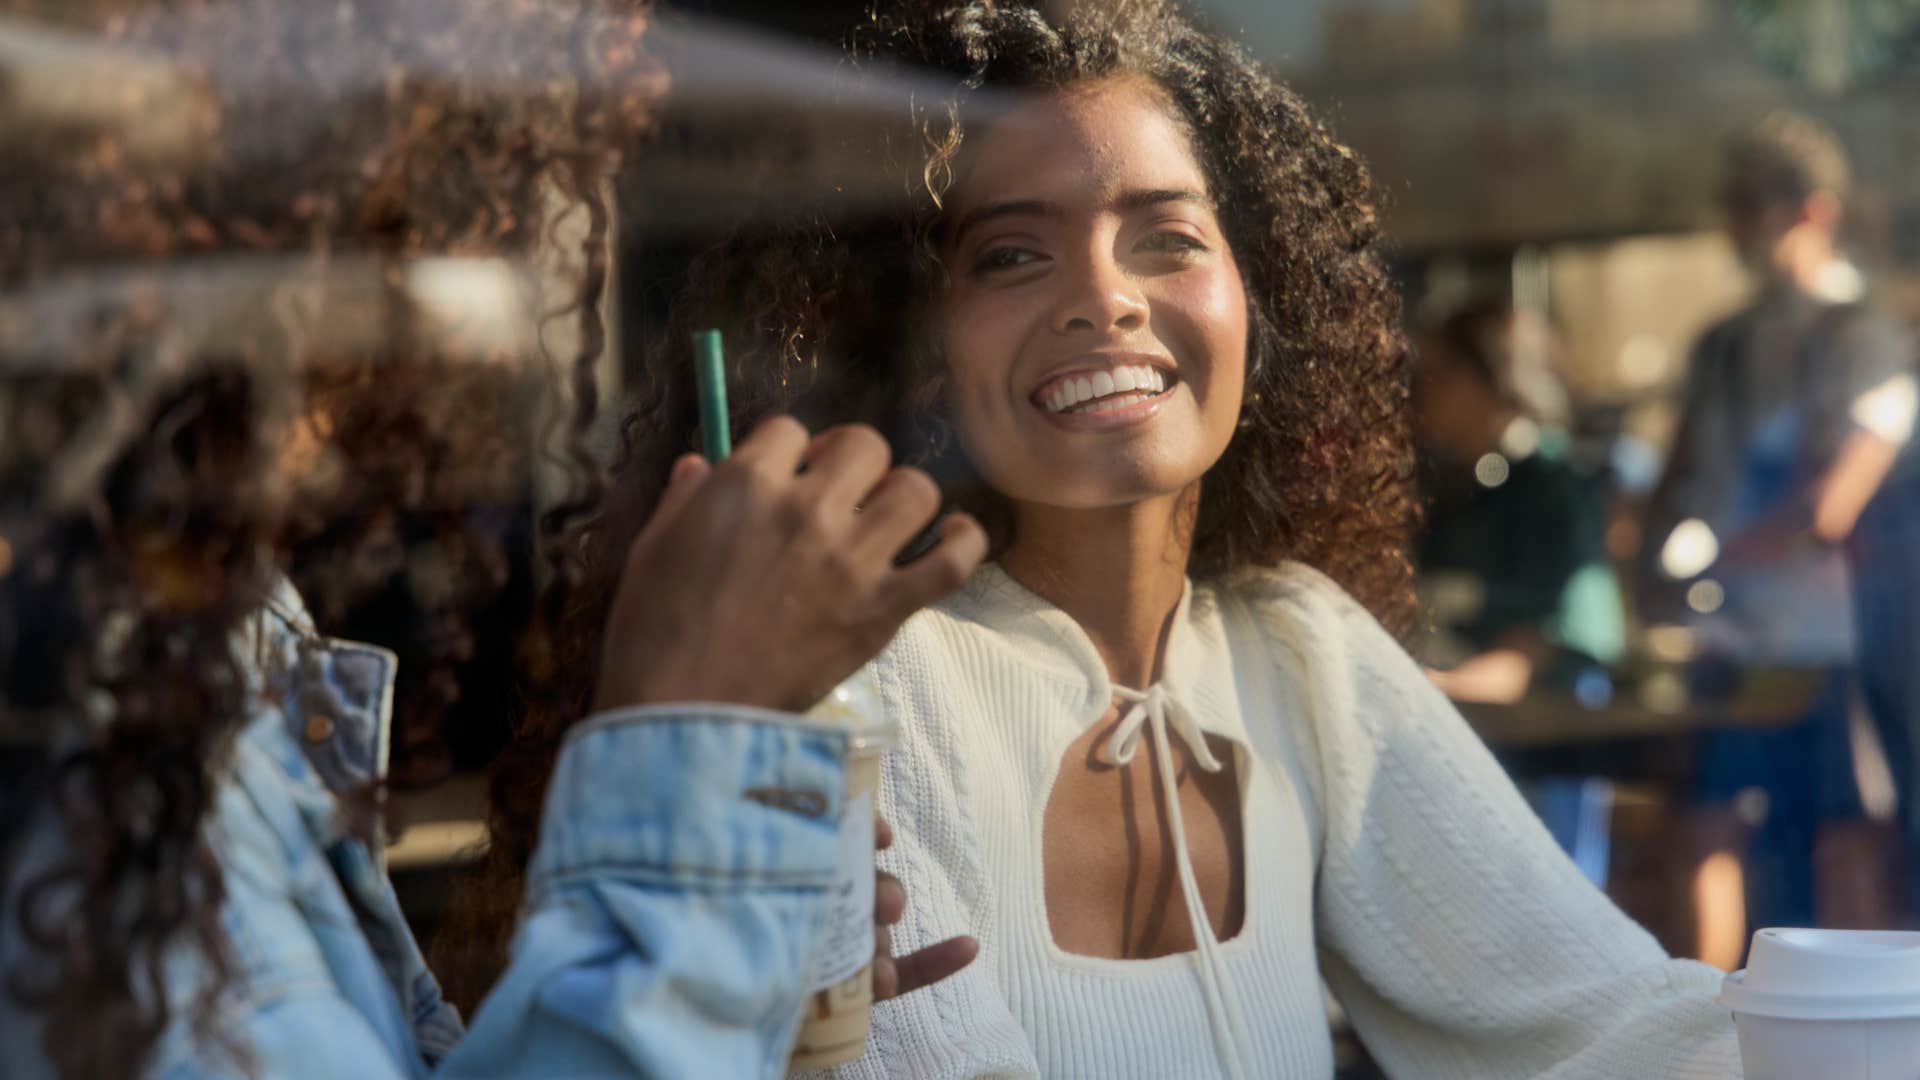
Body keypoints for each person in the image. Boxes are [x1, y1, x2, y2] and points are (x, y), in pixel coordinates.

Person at [462, 3, 1746, 1076]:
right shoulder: (856, 686)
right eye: (1011, 257)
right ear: (914, 346)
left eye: (1167, 238)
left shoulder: (1295, 648)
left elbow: (1625, 1035)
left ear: (1261, 292)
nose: (1103, 297)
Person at [0, 2, 985, 1076]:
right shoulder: (81, 691)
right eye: (477, 189)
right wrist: (689, 762)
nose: (486, 310)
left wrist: (720, 975)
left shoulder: (185, 624)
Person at [1636, 111, 1916, 957]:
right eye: (1734, 204)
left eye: (1758, 203)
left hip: (1837, 647)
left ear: (1813, 210)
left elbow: (1828, 506)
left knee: (1847, 844)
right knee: (1707, 831)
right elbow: (1680, 474)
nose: (1741, 225)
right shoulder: (1721, 346)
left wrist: (1712, 560)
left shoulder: (1865, 339)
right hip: (1730, 644)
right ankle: (1711, 1034)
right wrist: (1657, 575)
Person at [1412, 299, 1625, 885]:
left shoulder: (1549, 487)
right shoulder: (1448, 491)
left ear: (1491, 381)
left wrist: (1443, 689)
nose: (1422, 392)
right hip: (1461, 744)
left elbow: (1549, 640)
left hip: (1541, 753)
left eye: (1441, 375)